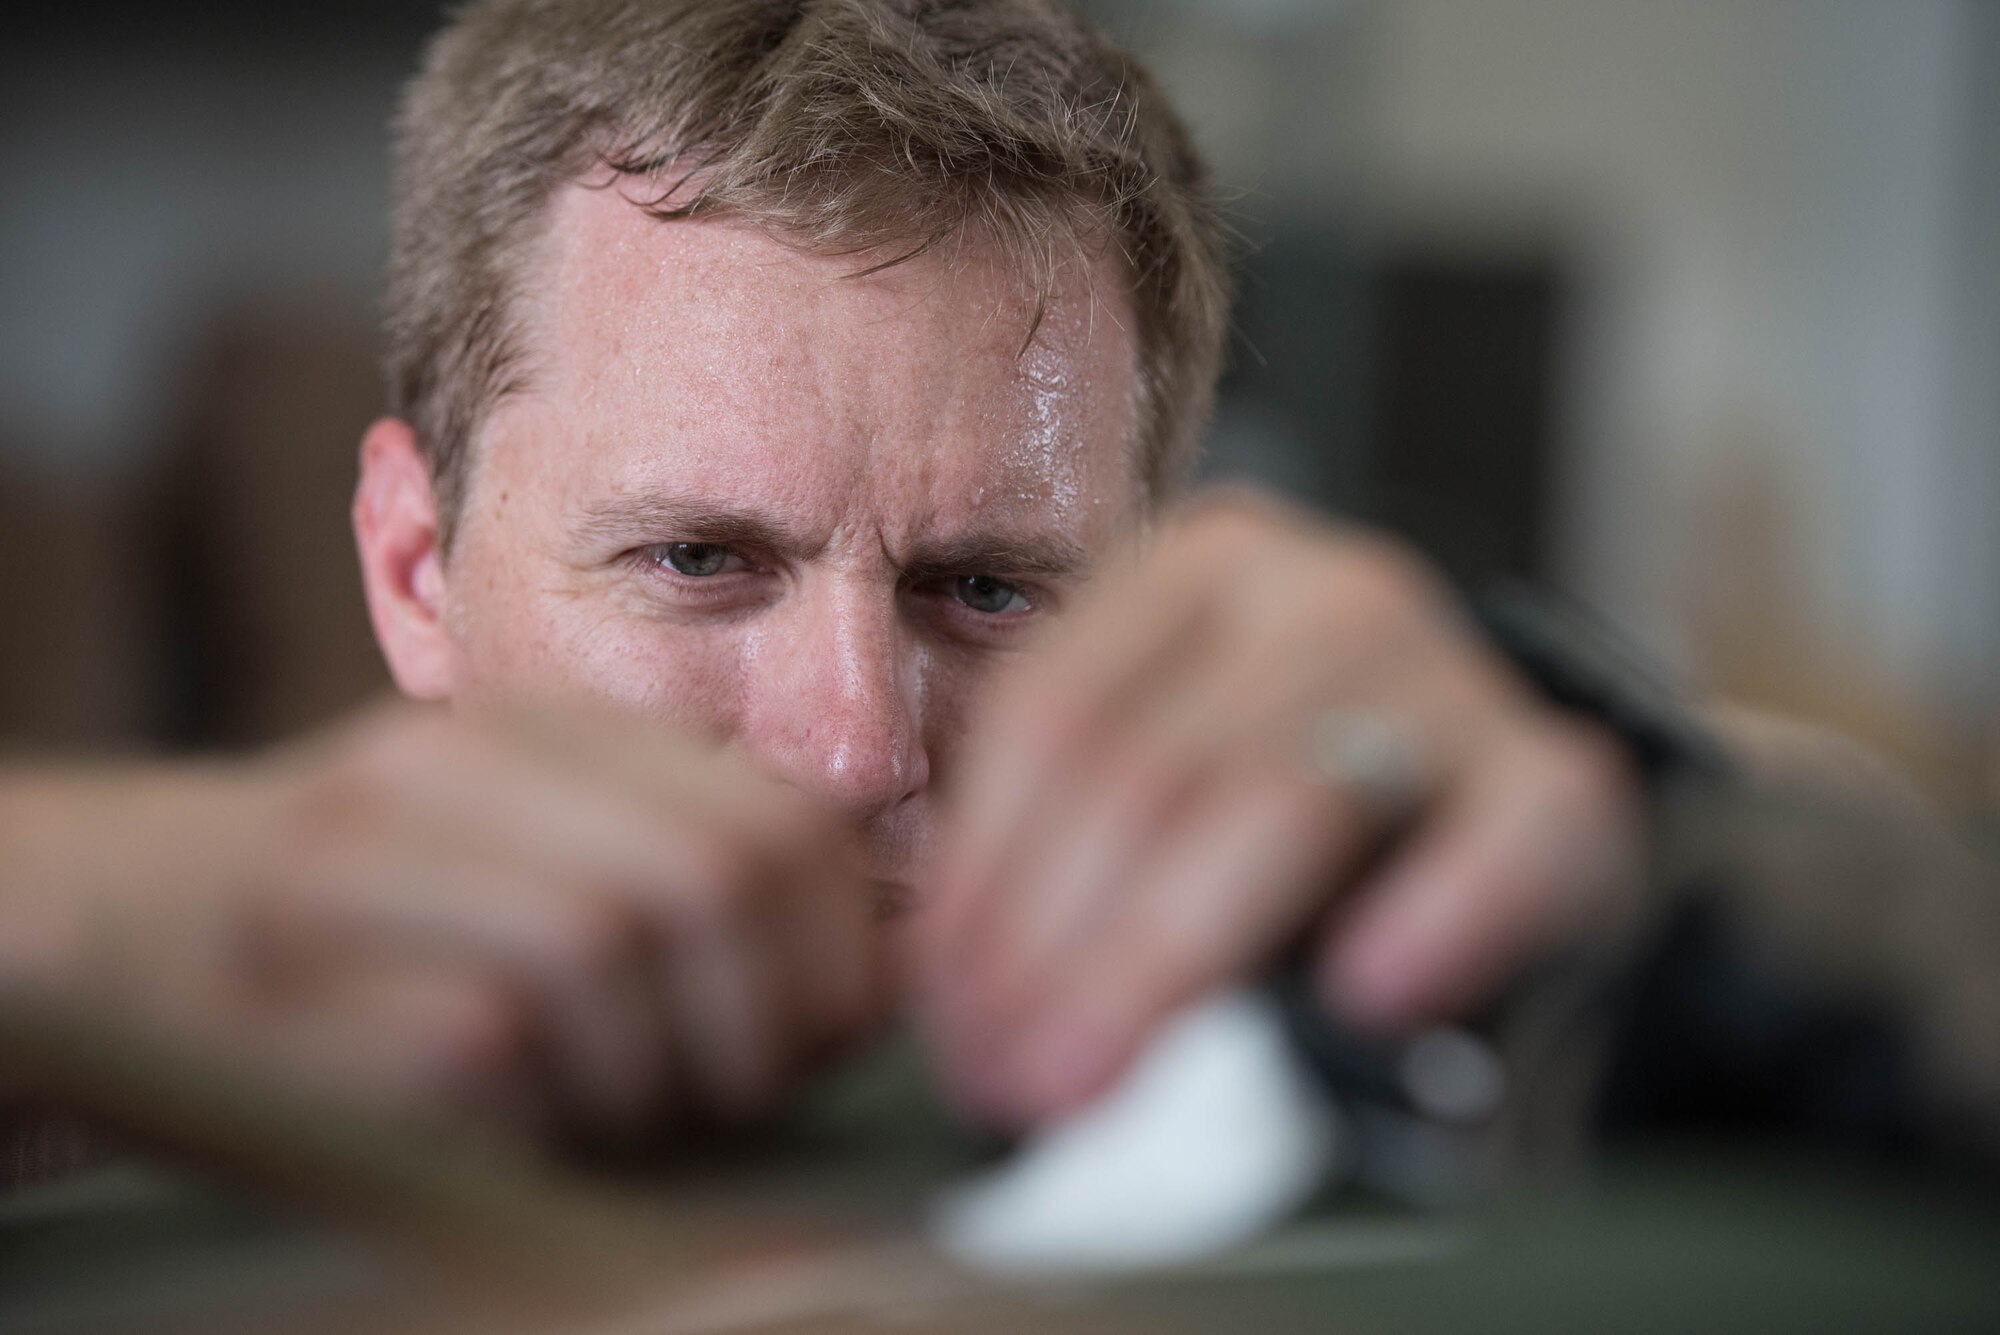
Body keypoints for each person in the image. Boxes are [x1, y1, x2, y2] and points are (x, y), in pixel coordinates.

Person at [0, 0, 1988, 1184]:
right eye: (700, 560)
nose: (859, 745)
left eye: (990, 586)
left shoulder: (1341, 1075)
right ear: (415, 570)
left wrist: (1629, 830)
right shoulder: (110, 1082)